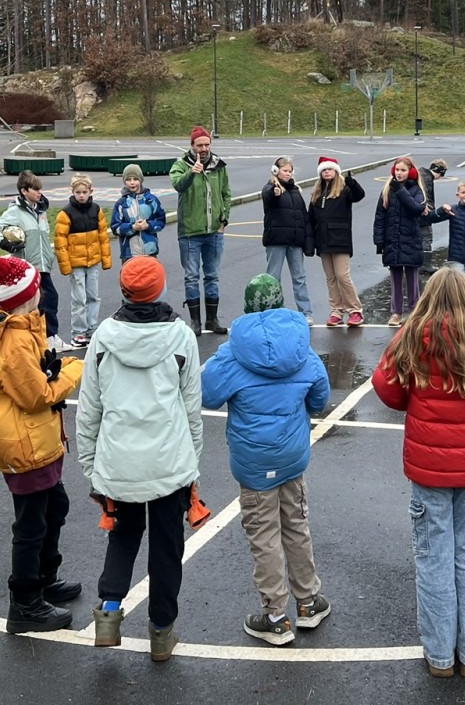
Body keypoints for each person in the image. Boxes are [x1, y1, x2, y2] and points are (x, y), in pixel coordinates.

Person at [372, 269, 465, 679]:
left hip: (428, 467)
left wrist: (415, 401)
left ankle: (439, 657)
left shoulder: (415, 334)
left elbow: (384, 386)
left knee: (434, 560)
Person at [76, 256, 203, 662]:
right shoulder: (181, 337)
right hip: (168, 462)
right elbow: (191, 409)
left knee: (124, 535)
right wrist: (191, 462)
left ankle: (109, 613)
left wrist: (90, 464)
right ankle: (162, 632)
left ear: (125, 291)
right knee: (167, 549)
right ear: (161, 289)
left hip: (118, 460)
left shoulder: (102, 337)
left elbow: (89, 407)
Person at [201, 274, 332, 647]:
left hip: (253, 462)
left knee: (264, 537)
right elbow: (320, 400)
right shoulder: (301, 349)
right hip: (292, 457)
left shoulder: (232, 352)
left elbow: (208, 396)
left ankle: (275, 615)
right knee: (296, 526)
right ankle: (308, 602)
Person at [0, 256, 86, 634]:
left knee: (54, 507)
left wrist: (50, 366)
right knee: (32, 522)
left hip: (36, 438)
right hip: (26, 443)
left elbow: (33, 378)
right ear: (29, 295)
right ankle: (24, 602)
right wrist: (71, 371)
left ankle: (43, 579)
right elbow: (36, 396)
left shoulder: (23, 329)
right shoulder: (17, 339)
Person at [0, 172, 64, 348]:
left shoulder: (41, 211)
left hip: (42, 264)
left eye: (40, 189)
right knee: (41, 302)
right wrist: (6, 244)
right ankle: (47, 338)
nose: (39, 192)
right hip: (27, 266)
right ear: (24, 191)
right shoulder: (15, 211)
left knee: (49, 299)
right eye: (35, 189)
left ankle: (46, 338)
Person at [169, 126, 232, 335]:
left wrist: (224, 219)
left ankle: (212, 320)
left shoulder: (219, 165)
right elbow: (177, 184)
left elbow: (226, 194)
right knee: (191, 276)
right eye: (199, 145)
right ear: (192, 146)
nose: (203, 148)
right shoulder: (180, 165)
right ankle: (195, 321)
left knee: (212, 276)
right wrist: (191, 173)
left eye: (206, 144)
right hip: (190, 233)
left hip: (214, 231)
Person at [308, 157, 368, 328]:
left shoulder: (344, 189)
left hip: (340, 239)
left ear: (336, 171)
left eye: (329, 169)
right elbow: (311, 218)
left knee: (342, 276)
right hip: (322, 240)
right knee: (331, 278)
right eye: (324, 170)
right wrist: (310, 240)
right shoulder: (317, 193)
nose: (326, 172)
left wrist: (352, 182)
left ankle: (355, 310)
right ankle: (336, 311)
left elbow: (359, 196)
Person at [55, 175, 113, 348]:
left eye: (84, 192)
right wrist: (65, 265)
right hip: (76, 264)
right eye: (78, 192)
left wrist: (106, 259)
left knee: (93, 296)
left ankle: (92, 328)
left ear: (90, 192)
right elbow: (60, 241)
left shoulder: (96, 210)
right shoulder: (65, 213)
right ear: (72, 192)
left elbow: (103, 236)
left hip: (93, 262)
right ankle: (79, 331)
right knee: (79, 299)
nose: (81, 195)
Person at [375, 157, 428, 328]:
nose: (399, 173)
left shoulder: (416, 190)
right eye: (397, 170)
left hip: (411, 240)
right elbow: (380, 216)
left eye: (403, 170)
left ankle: (415, 312)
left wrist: (400, 190)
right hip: (393, 240)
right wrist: (379, 241)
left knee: (412, 278)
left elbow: (416, 208)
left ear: (410, 172)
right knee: (395, 278)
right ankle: (396, 312)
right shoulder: (387, 190)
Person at [261, 156, 315, 322]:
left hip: (295, 241)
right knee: (273, 278)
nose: (288, 174)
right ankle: (271, 311)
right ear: (276, 171)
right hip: (276, 240)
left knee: (299, 278)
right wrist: (274, 192)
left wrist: (307, 241)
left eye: (290, 171)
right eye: (285, 171)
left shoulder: (295, 191)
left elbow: (303, 217)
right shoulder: (270, 188)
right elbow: (269, 197)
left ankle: (306, 312)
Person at [432, 179, 465, 285]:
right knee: (455, 290)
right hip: (455, 259)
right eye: (463, 192)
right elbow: (430, 219)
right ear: (458, 195)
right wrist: (441, 210)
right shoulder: (452, 210)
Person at [112, 164, 167, 266]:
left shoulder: (151, 200)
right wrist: (132, 227)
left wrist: (149, 225)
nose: (132, 183)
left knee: (151, 280)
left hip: (150, 252)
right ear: (124, 181)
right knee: (130, 281)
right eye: (128, 179)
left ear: (141, 180)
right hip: (129, 254)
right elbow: (115, 228)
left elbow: (161, 221)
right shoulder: (121, 204)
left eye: (135, 179)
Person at [420, 159, 449, 272]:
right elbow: (427, 196)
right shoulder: (427, 179)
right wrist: (431, 212)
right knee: (426, 236)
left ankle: (419, 263)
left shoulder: (421, 173)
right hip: (423, 213)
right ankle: (426, 265)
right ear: (440, 171)